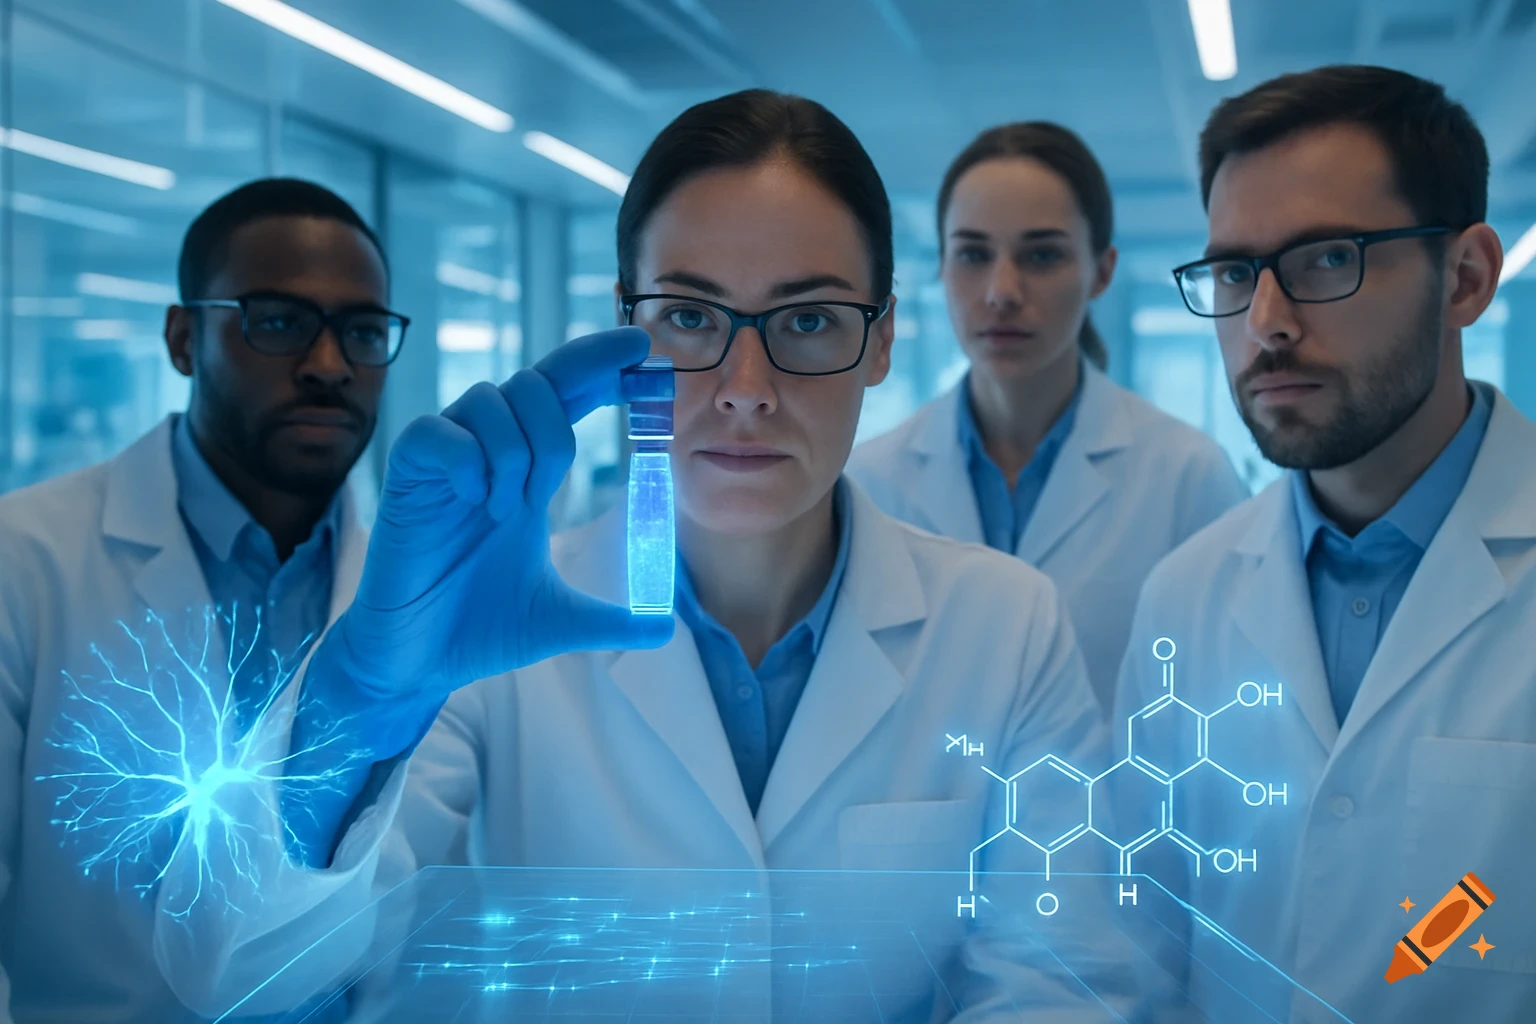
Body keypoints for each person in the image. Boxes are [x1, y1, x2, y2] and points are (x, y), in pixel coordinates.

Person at [151, 92, 1155, 1020]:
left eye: (808, 320)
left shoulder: (1005, 626)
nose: (745, 386)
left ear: (883, 339)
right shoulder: (489, 634)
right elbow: (234, 968)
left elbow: (1061, 980)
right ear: (625, 323)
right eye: (689, 316)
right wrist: (357, 695)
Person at [1110, 65, 1534, 1022]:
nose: (1265, 322)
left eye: (1326, 259)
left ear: (1464, 278)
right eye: (1233, 272)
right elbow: (1139, 943)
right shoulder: (1185, 595)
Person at [0, 178, 404, 1022]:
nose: (330, 365)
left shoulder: (410, 591)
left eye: (362, 332)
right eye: (280, 320)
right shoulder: (23, 565)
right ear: (184, 338)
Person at [848, 123, 1248, 707]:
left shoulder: (1187, 476)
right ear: (940, 268)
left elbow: (1220, 698)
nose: (1002, 291)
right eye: (973, 254)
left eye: (1041, 255)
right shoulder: (869, 482)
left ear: (1102, 271)